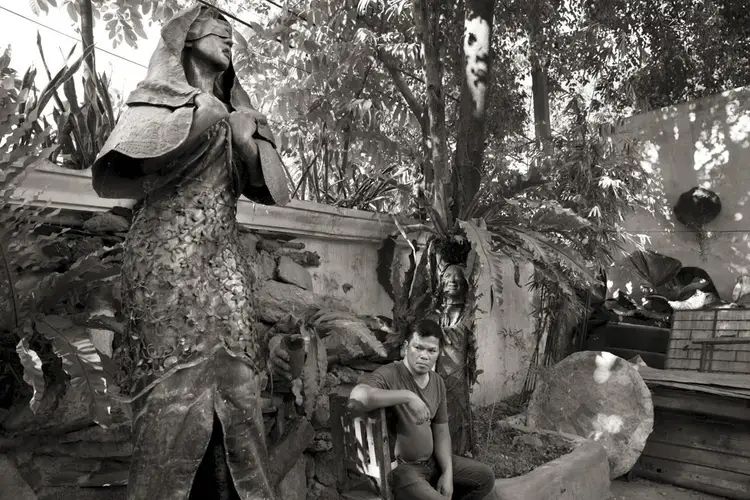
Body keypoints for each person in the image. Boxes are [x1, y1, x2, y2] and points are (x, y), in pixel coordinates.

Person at [91, 5, 288, 499]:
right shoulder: (154, 100)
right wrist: (204, 115)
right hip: (165, 265)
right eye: (218, 31)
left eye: (232, 35)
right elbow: (127, 164)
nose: (229, 39)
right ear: (186, 38)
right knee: (172, 393)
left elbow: (275, 191)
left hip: (225, 267)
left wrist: (245, 145)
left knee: (240, 389)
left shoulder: (242, 114)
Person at [347, 319, 495, 500]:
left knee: (485, 477)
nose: (424, 356)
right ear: (406, 347)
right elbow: (356, 399)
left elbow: (441, 431)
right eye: (418, 348)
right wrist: (408, 397)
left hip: (432, 463)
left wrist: (447, 473)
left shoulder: (437, 382)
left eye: (431, 351)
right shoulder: (390, 374)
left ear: (439, 353)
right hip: (404, 470)